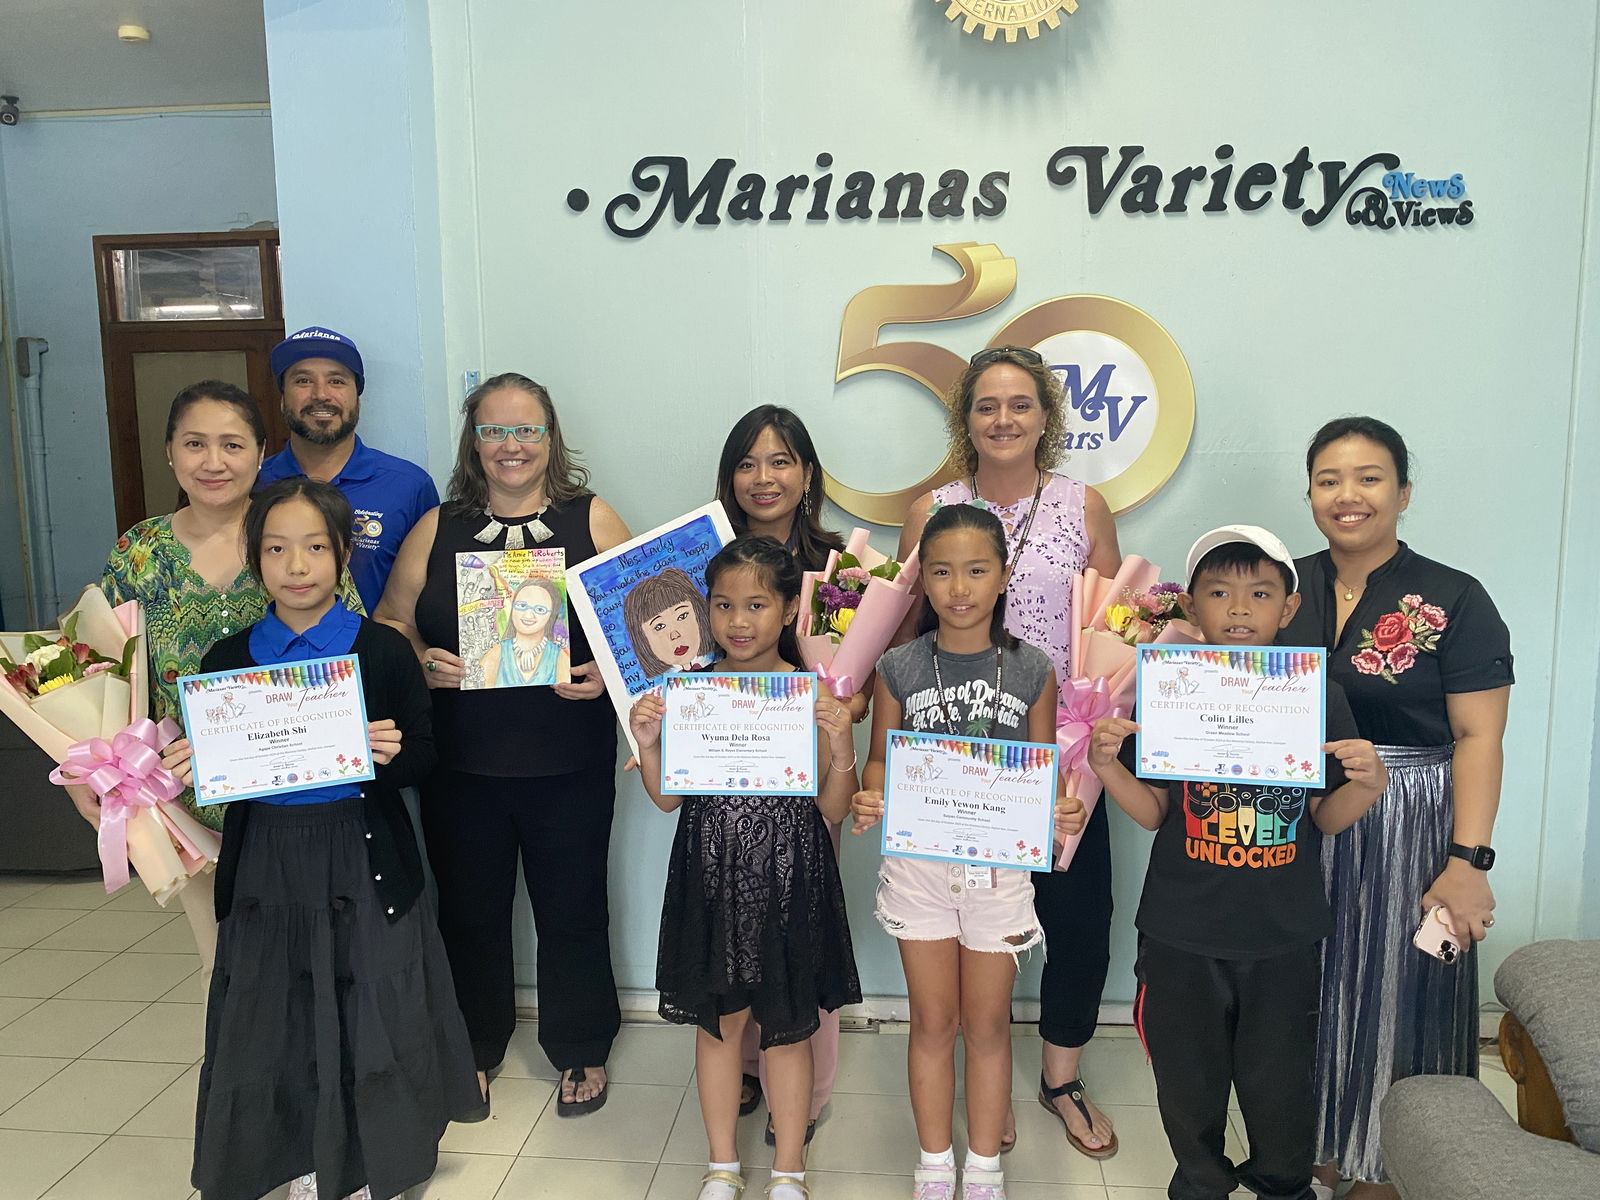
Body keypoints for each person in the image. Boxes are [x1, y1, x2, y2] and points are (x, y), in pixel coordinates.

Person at [163, 478, 484, 1200]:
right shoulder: (228, 658)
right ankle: (305, 1157)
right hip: (269, 861)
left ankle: (380, 1164)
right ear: (256, 560)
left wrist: (391, 750)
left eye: (315, 547)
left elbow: (429, 755)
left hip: (362, 850)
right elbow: (225, 769)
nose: (296, 565)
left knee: (375, 1007)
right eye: (277, 549)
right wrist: (190, 759)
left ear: (343, 554)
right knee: (283, 1011)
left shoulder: (380, 650)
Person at [1086, 525, 1389, 1200]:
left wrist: (1366, 787)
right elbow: (1157, 811)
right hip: (1181, 927)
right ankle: (1199, 1180)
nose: (1241, 608)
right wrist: (1106, 767)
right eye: (1219, 593)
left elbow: (1322, 817)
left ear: (1289, 607)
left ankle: (1284, 1182)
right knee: (1187, 1075)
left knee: (1279, 1075)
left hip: (1282, 930)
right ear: (1192, 608)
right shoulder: (1172, 689)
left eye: (1260, 593)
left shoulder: (1316, 694)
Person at [376, 372, 630, 1115]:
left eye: (527, 430)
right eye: (495, 430)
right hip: (461, 765)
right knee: (469, 910)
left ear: (551, 438)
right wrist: (421, 658)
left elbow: (643, 627)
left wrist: (605, 677)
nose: (511, 445)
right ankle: (473, 1045)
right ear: (473, 441)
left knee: (574, 906)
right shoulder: (438, 525)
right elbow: (391, 619)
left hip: (570, 761)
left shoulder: (594, 518)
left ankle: (581, 1046)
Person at [898, 347, 1122, 1157]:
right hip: (955, 763)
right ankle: (980, 1085)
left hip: (1061, 756)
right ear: (965, 420)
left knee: (1078, 919)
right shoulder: (932, 510)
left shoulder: (1081, 506)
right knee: (967, 929)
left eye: (1020, 404)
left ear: (1046, 418)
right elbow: (897, 628)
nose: (1003, 419)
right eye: (986, 405)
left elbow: (1113, 624)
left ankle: (1059, 1077)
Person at [1282, 418, 1514, 1198]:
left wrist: (1468, 861)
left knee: (1399, 994)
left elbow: (1480, 737)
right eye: (1329, 480)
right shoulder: (1284, 585)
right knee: (1308, 987)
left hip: (1412, 823)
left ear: (1403, 492)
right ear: (1310, 492)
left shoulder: (1453, 597)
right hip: (1299, 818)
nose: (1348, 496)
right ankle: (1316, 1152)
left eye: (1369, 478)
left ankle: (1391, 1165)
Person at [84, 381, 361, 1008]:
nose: (214, 462)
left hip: (300, 789)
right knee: (226, 965)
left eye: (232, 445)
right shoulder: (140, 552)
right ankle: (245, 1092)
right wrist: (102, 778)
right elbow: (104, 669)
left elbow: (355, 652)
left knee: (319, 957)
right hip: (185, 795)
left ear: (261, 453)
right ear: (170, 453)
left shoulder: (294, 532)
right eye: (195, 444)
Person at [853, 503, 1080, 1200]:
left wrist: (1060, 806)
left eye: (976, 570)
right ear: (921, 582)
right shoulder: (897, 665)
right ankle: (932, 1166)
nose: (959, 588)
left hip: (998, 875)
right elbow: (878, 767)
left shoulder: (1033, 667)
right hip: (917, 871)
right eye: (942, 572)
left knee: (986, 1027)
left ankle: (983, 1169)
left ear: (1004, 576)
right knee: (933, 1023)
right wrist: (870, 795)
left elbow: (1044, 771)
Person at [630, 536, 862, 1200]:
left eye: (756, 603)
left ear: (790, 608)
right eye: (724, 605)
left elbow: (834, 805)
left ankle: (789, 1167)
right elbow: (669, 798)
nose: (738, 620)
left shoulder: (809, 692)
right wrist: (649, 745)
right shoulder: (691, 690)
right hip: (711, 875)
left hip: (792, 876)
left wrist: (841, 741)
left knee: (788, 1029)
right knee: (720, 1024)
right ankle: (722, 1165)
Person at [714, 405, 854, 1141]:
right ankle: (741, 1069)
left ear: (806, 475)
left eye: (780, 461)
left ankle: (804, 1083)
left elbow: (861, 679)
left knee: (801, 938)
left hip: (808, 796)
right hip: (724, 799)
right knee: (728, 930)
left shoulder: (845, 574)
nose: (763, 477)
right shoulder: (703, 558)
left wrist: (846, 709)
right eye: (747, 462)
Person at [260, 326, 440, 614]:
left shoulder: (409, 486)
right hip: (277, 657)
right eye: (303, 380)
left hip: (382, 656)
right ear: (282, 398)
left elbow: (433, 593)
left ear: (357, 398)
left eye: (337, 381)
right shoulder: (255, 484)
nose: (321, 394)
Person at [625, 567, 717, 675]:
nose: (675, 635)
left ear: (699, 613)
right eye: (659, 626)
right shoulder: (656, 688)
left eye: (682, 616)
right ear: (642, 639)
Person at [480, 576, 570, 687]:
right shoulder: (496, 653)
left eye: (540, 609)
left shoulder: (560, 658)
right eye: (521, 606)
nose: (528, 615)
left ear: (552, 615)